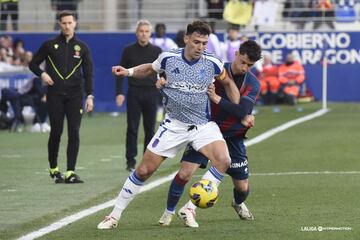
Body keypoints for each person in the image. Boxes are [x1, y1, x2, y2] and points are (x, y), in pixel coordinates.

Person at [97, 20, 240, 230]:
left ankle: (190, 207)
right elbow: (149, 68)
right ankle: (114, 215)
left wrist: (238, 108)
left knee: (223, 160)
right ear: (186, 39)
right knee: (144, 170)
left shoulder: (213, 63)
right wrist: (127, 72)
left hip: (202, 125)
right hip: (174, 125)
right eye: (196, 42)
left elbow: (227, 81)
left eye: (204, 43)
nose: (200, 47)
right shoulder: (169, 58)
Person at [157, 39, 261, 228]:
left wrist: (216, 98)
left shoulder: (253, 82)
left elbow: (242, 110)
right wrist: (162, 80)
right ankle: (171, 211)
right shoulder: (215, 70)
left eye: (250, 65)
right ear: (236, 54)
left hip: (232, 136)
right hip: (203, 130)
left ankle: (237, 203)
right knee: (185, 173)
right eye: (243, 62)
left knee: (242, 187)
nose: (245, 68)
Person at [29, 10, 94, 184]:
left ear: (75, 23)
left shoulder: (82, 48)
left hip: (75, 96)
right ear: (59, 24)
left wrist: (89, 96)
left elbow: (88, 74)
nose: (67, 26)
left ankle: (70, 172)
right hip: (55, 95)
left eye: (69, 22)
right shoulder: (49, 45)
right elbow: (33, 63)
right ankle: (54, 169)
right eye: (63, 23)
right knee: (56, 132)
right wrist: (42, 74)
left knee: (74, 132)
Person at [115, 20, 162, 172]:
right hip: (134, 92)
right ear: (137, 33)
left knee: (150, 129)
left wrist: (163, 81)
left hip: (151, 92)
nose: (144, 34)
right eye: (141, 31)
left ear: (150, 33)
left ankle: (146, 160)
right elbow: (119, 73)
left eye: (146, 31)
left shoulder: (156, 50)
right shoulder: (128, 50)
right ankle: (130, 161)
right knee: (132, 128)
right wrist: (119, 92)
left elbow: (163, 72)